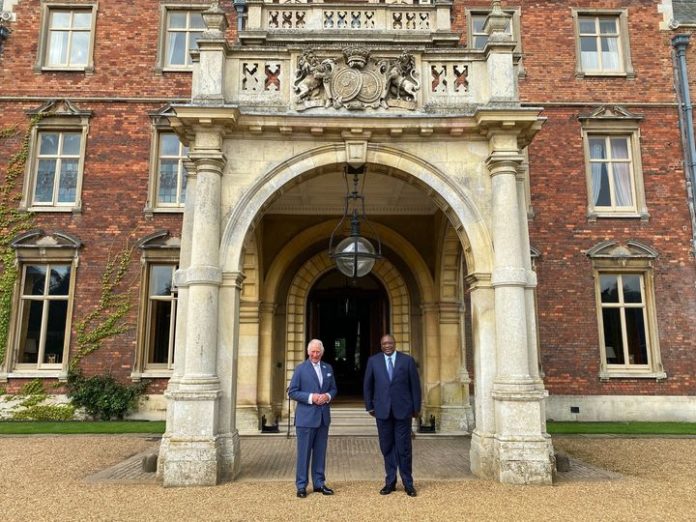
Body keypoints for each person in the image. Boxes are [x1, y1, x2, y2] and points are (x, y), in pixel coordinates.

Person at [363, 334, 421, 497]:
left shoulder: (407, 360)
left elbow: (415, 386)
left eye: (390, 343)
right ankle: (390, 482)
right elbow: (368, 385)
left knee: (404, 448)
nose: (387, 345)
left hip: (403, 411)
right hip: (382, 411)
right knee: (386, 447)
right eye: (384, 343)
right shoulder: (373, 361)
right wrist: (369, 406)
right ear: (381, 346)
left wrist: (416, 408)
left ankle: (408, 483)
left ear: (394, 344)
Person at [288, 339, 337, 498]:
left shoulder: (327, 368)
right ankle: (301, 486)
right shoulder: (301, 369)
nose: (315, 354)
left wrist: (327, 396)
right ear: (308, 352)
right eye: (313, 352)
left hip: (323, 418)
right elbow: (292, 392)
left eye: (318, 352)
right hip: (306, 419)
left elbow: (334, 389)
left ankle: (319, 483)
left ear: (321, 352)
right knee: (304, 454)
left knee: (320, 453)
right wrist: (311, 397)